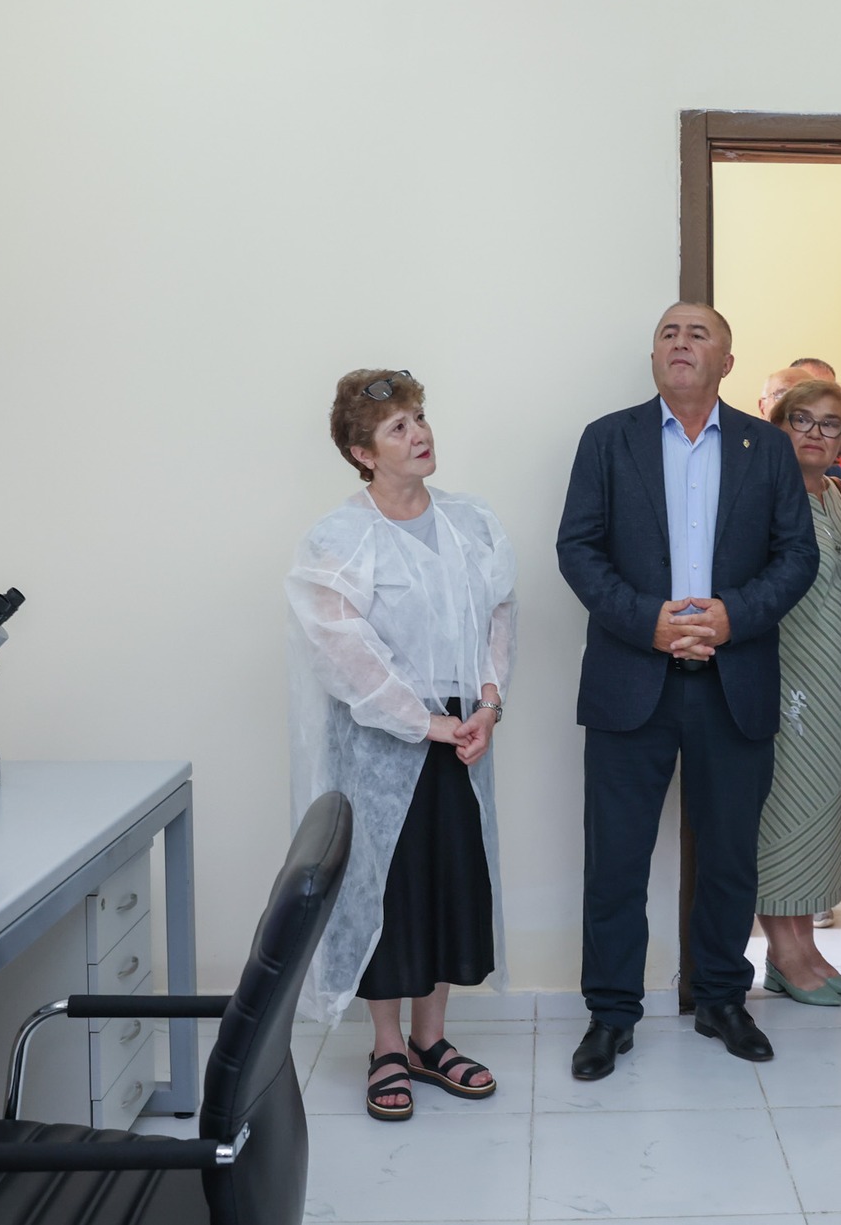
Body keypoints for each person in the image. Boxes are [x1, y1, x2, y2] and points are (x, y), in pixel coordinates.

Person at [557, 303, 816, 1078]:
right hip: (631, 680)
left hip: (733, 682)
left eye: (698, 332)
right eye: (668, 332)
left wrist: (734, 617)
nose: (680, 341)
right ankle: (611, 1013)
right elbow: (578, 548)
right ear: (653, 357)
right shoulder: (608, 440)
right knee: (616, 861)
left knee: (729, 857)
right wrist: (651, 622)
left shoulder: (768, 447)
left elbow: (796, 556)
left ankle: (721, 999)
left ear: (727, 362)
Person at [286, 368, 516, 1123]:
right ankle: (386, 1045)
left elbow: (498, 615)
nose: (419, 434)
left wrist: (487, 704)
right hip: (381, 743)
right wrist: (424, 722)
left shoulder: (472, 522)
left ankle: (430, 1039)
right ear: (362, 453)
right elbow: (339, 648)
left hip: (464, 731)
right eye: (397, 427)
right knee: (384, 888)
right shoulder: (340, 539)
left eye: (419, 418)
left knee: (450, 879)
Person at [754, 378, 841, 1004]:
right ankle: (783, 953)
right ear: (778, 426)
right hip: (788, 676)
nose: (816, 433)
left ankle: (806, 946)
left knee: (824, 811)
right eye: (801, 419)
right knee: (785, 813)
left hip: (837, 680)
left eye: (831, 423)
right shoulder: (764, 495)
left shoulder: (840, 493)